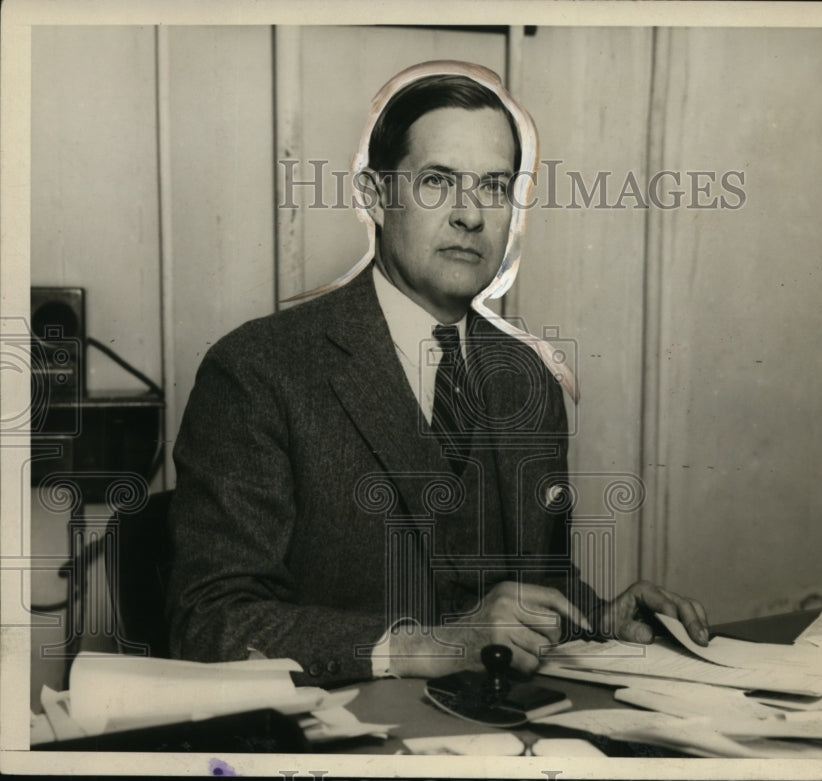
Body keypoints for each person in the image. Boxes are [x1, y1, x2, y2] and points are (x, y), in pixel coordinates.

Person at [166, 62, 709, 688]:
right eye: (436, 182)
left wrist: (600, 617)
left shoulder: (528, 381)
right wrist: (424, 646)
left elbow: (534, 589)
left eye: (495, 187)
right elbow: (208, 624)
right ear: (374, 196)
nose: (471, 216)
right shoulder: (259, 371)